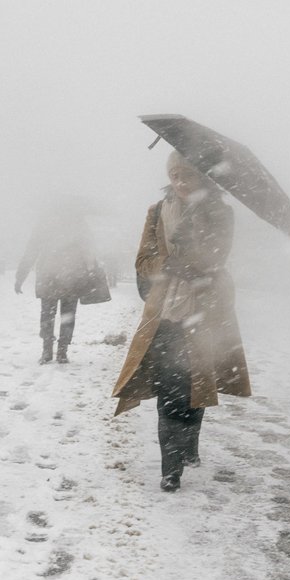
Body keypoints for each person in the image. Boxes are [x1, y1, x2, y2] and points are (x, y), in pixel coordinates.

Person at [111, 150, 251, 492]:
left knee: (197, 385)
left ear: (203, 176)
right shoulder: (158, 211)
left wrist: (195, 255)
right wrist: (166, 265)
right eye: (175, 175)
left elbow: (220, 256)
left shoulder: (221, 212)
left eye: (187, 175)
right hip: (165, 312)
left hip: (207, 311)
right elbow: (143, 260)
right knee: (170, 387)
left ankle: (189, 445)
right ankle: (170, 468)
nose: (180, 182)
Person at [15, 205, 96, 364]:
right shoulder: (79, 223)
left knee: (47, 314)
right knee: (68, 315)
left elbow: (31, 251)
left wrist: (20, 277)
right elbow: (89, 249)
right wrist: (91, 269)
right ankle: (62, 351)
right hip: (72, 275)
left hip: (48, 275)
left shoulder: (44, 223)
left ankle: (47, 350)